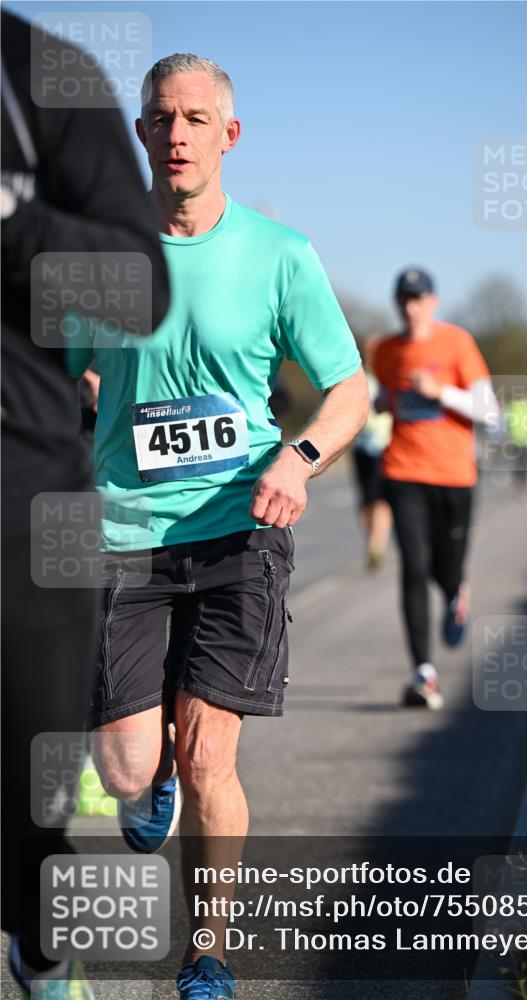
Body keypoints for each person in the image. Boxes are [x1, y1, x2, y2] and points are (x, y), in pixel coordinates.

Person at [66, 53, 368, 1000]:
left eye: (199, 118)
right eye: (163, 117)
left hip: (242, 527)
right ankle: (141, 776)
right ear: (143, 135)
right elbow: (65, 378)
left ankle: (208, 953)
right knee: (125, 770)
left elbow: (349, 389)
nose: (181, 133)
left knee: (209, 755)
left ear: (228, 136)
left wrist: (299, 457)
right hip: (128, 534)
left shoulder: (281, 253)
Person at [1, 11, 171, 999]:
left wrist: (13, 224)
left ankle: (41, 944)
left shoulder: (42, 75)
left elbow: (133, 291)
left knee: (30, 798)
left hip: (25, 496)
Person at [373, 268, 498, 709]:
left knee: (444, 569)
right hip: (404, 471)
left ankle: (456, 591)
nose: (410, 307)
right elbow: (380, 397)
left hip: (455, 477)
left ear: (433, 302)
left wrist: (441, 391)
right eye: (403, 299)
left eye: (418, 299)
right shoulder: (385, 350)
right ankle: (423, 673)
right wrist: (383, 400)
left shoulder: (457, 342)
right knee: (412, 565)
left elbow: (489, 411)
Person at [351, 336, 393, 569]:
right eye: (368, 351)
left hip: (384, 446)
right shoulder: (359, 379)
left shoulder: (388, 378)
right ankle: (371, 540)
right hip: (360, 447)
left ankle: (377, 545)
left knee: (380, 500)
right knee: (366, 500)